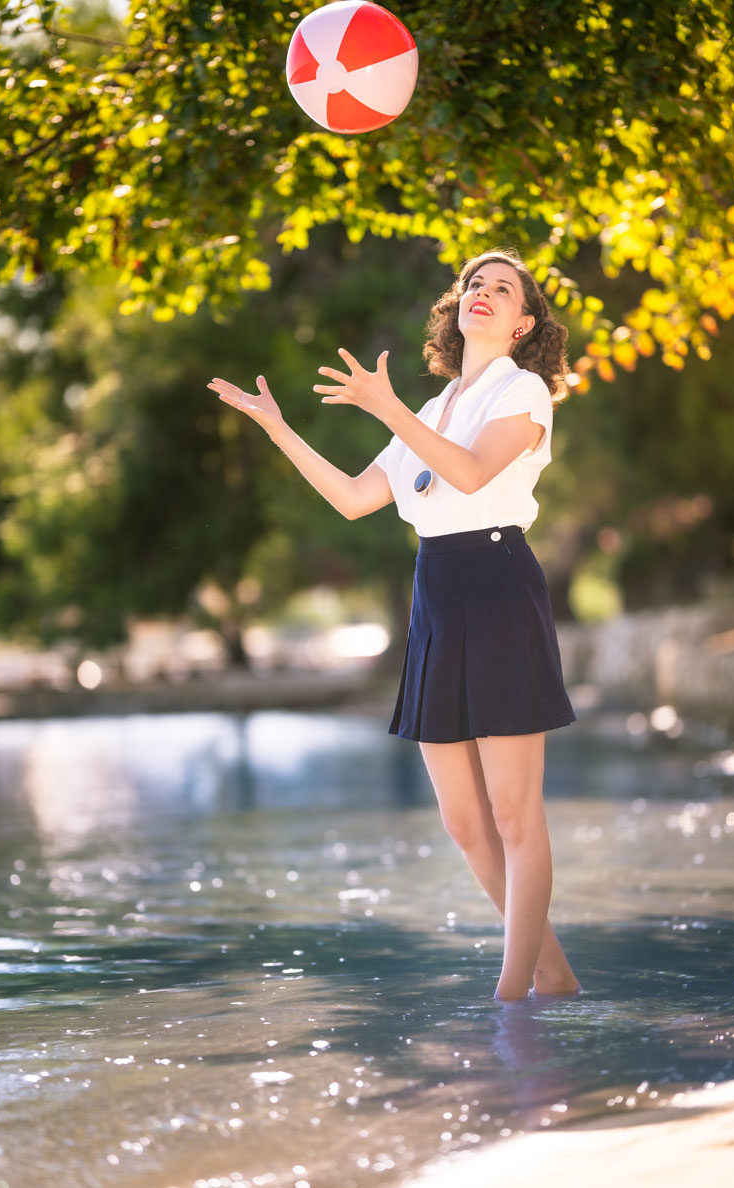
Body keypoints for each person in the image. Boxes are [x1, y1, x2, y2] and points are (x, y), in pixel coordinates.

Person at [208, 247, 580, 1001]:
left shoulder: (527, 393)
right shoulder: (435, 409)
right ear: (458, 306)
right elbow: (352, 498)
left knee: (514, 813)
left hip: (500, 585)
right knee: (464, 823)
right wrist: (277, 427)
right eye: (475, 282)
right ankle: (553, 977)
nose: (483, 292)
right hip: (435, 594)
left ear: (522, 324)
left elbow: (473, 474)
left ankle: (514, 997)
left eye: (503, 289)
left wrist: (387, 409)